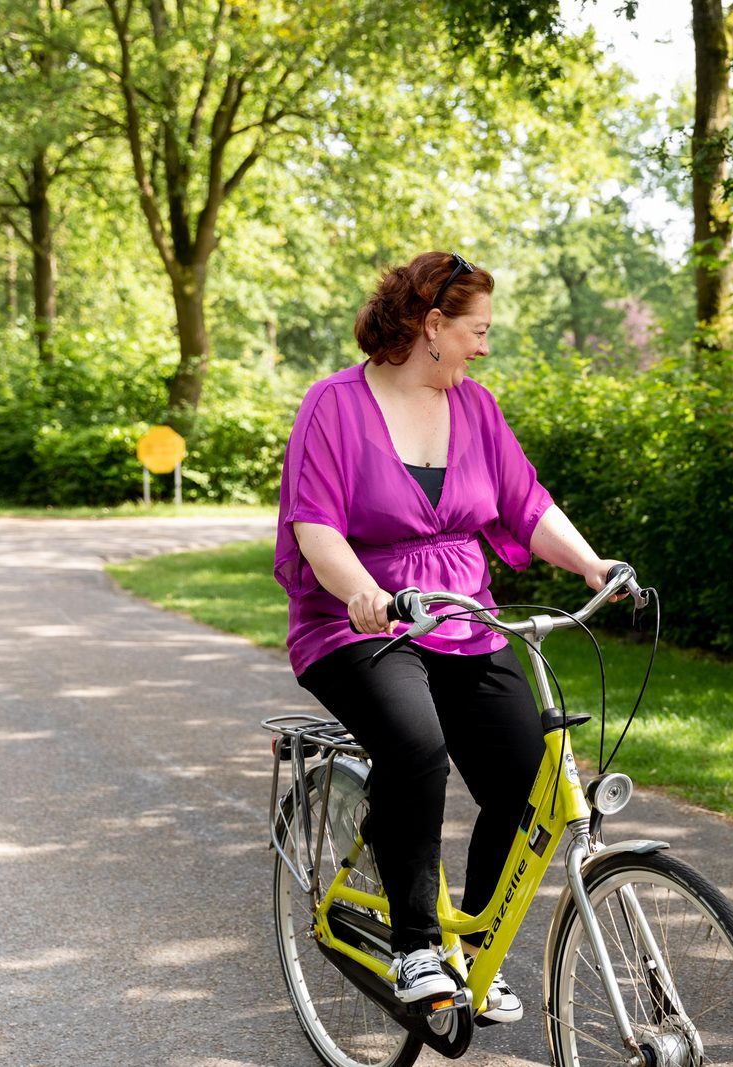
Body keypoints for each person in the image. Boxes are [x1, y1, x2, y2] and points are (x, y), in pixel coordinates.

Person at [273, 251, 625, 1012]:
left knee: (525, 779)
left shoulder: (476, 406)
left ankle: (473, 948)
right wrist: (366, 593)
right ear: (431, 325)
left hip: (460, 616)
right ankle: (415, 946)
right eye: (477, 330)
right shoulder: (334, 405)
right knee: (416, 743)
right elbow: (315, 527)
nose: (484, 346)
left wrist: (593, 565)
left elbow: (527, 503)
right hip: (356, 621)